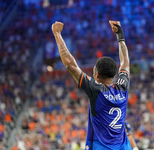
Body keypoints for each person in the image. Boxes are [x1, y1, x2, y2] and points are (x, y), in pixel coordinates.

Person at [52, 20, 132, 150]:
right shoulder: (123, 87)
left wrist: (57, 34)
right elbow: (125, 63)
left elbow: (70, 64)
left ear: (97, 75)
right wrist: (120, 35)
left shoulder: (96, 89)